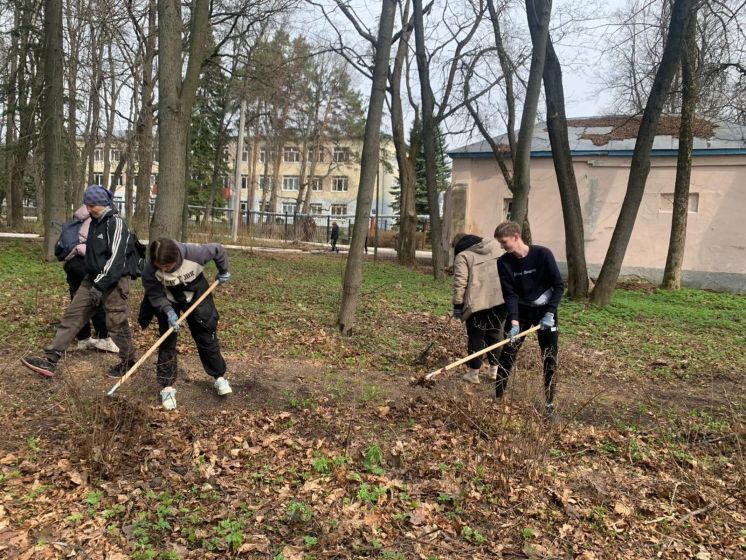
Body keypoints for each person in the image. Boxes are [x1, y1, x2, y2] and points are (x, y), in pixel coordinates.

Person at [21, 185, 138, 378]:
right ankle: (51, 359)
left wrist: (100, 285)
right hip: (91, 279)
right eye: (87, 205)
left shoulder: (115, 223)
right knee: (73, 316)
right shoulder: (94, 222)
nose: (89, 209)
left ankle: (129, 361)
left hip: (114, 282)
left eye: (93, 205)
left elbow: (117, 258)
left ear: (103, 204)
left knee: (115, 323)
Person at [141, 238, 232, 411]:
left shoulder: (195, 253)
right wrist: (168, 311)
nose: (164, 270)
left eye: (167, 266)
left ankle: (219, 376)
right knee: (167, 339)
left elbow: (218, 249)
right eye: (159, 267)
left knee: (205, 332)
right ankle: (167, 387)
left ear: (176, 258)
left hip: (196, 290)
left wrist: (224, 270)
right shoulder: (150, 270)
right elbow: (153, 293)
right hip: (167, 297)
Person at [494, 221, 564, 419]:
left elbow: (559, 286)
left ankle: (550, 403)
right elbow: (510, 294)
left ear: (516, 237)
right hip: (522, 312)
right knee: (507, 353)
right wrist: (514, 322)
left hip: (545, 312)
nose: (502, 246)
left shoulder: (542, 254)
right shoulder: (504, 262)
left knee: (549, 357)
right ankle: (498, 398)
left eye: (504, 242)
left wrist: (550, 313)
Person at [63, 204, 119, 353]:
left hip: (71, 262)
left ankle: (83, 338)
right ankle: (104, 338)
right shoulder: (97, 220)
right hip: (86, 263)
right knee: (96, 298)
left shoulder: (80, 216)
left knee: (76, 298)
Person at [452, 233, 507, 385]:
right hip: (501, 299)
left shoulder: (463, 256)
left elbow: (460, 282)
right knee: (495, 334)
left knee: (476, 336)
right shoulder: (496, 246)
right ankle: (494, 370)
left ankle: (473, 374)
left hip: (477, 303)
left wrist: (458, 304)